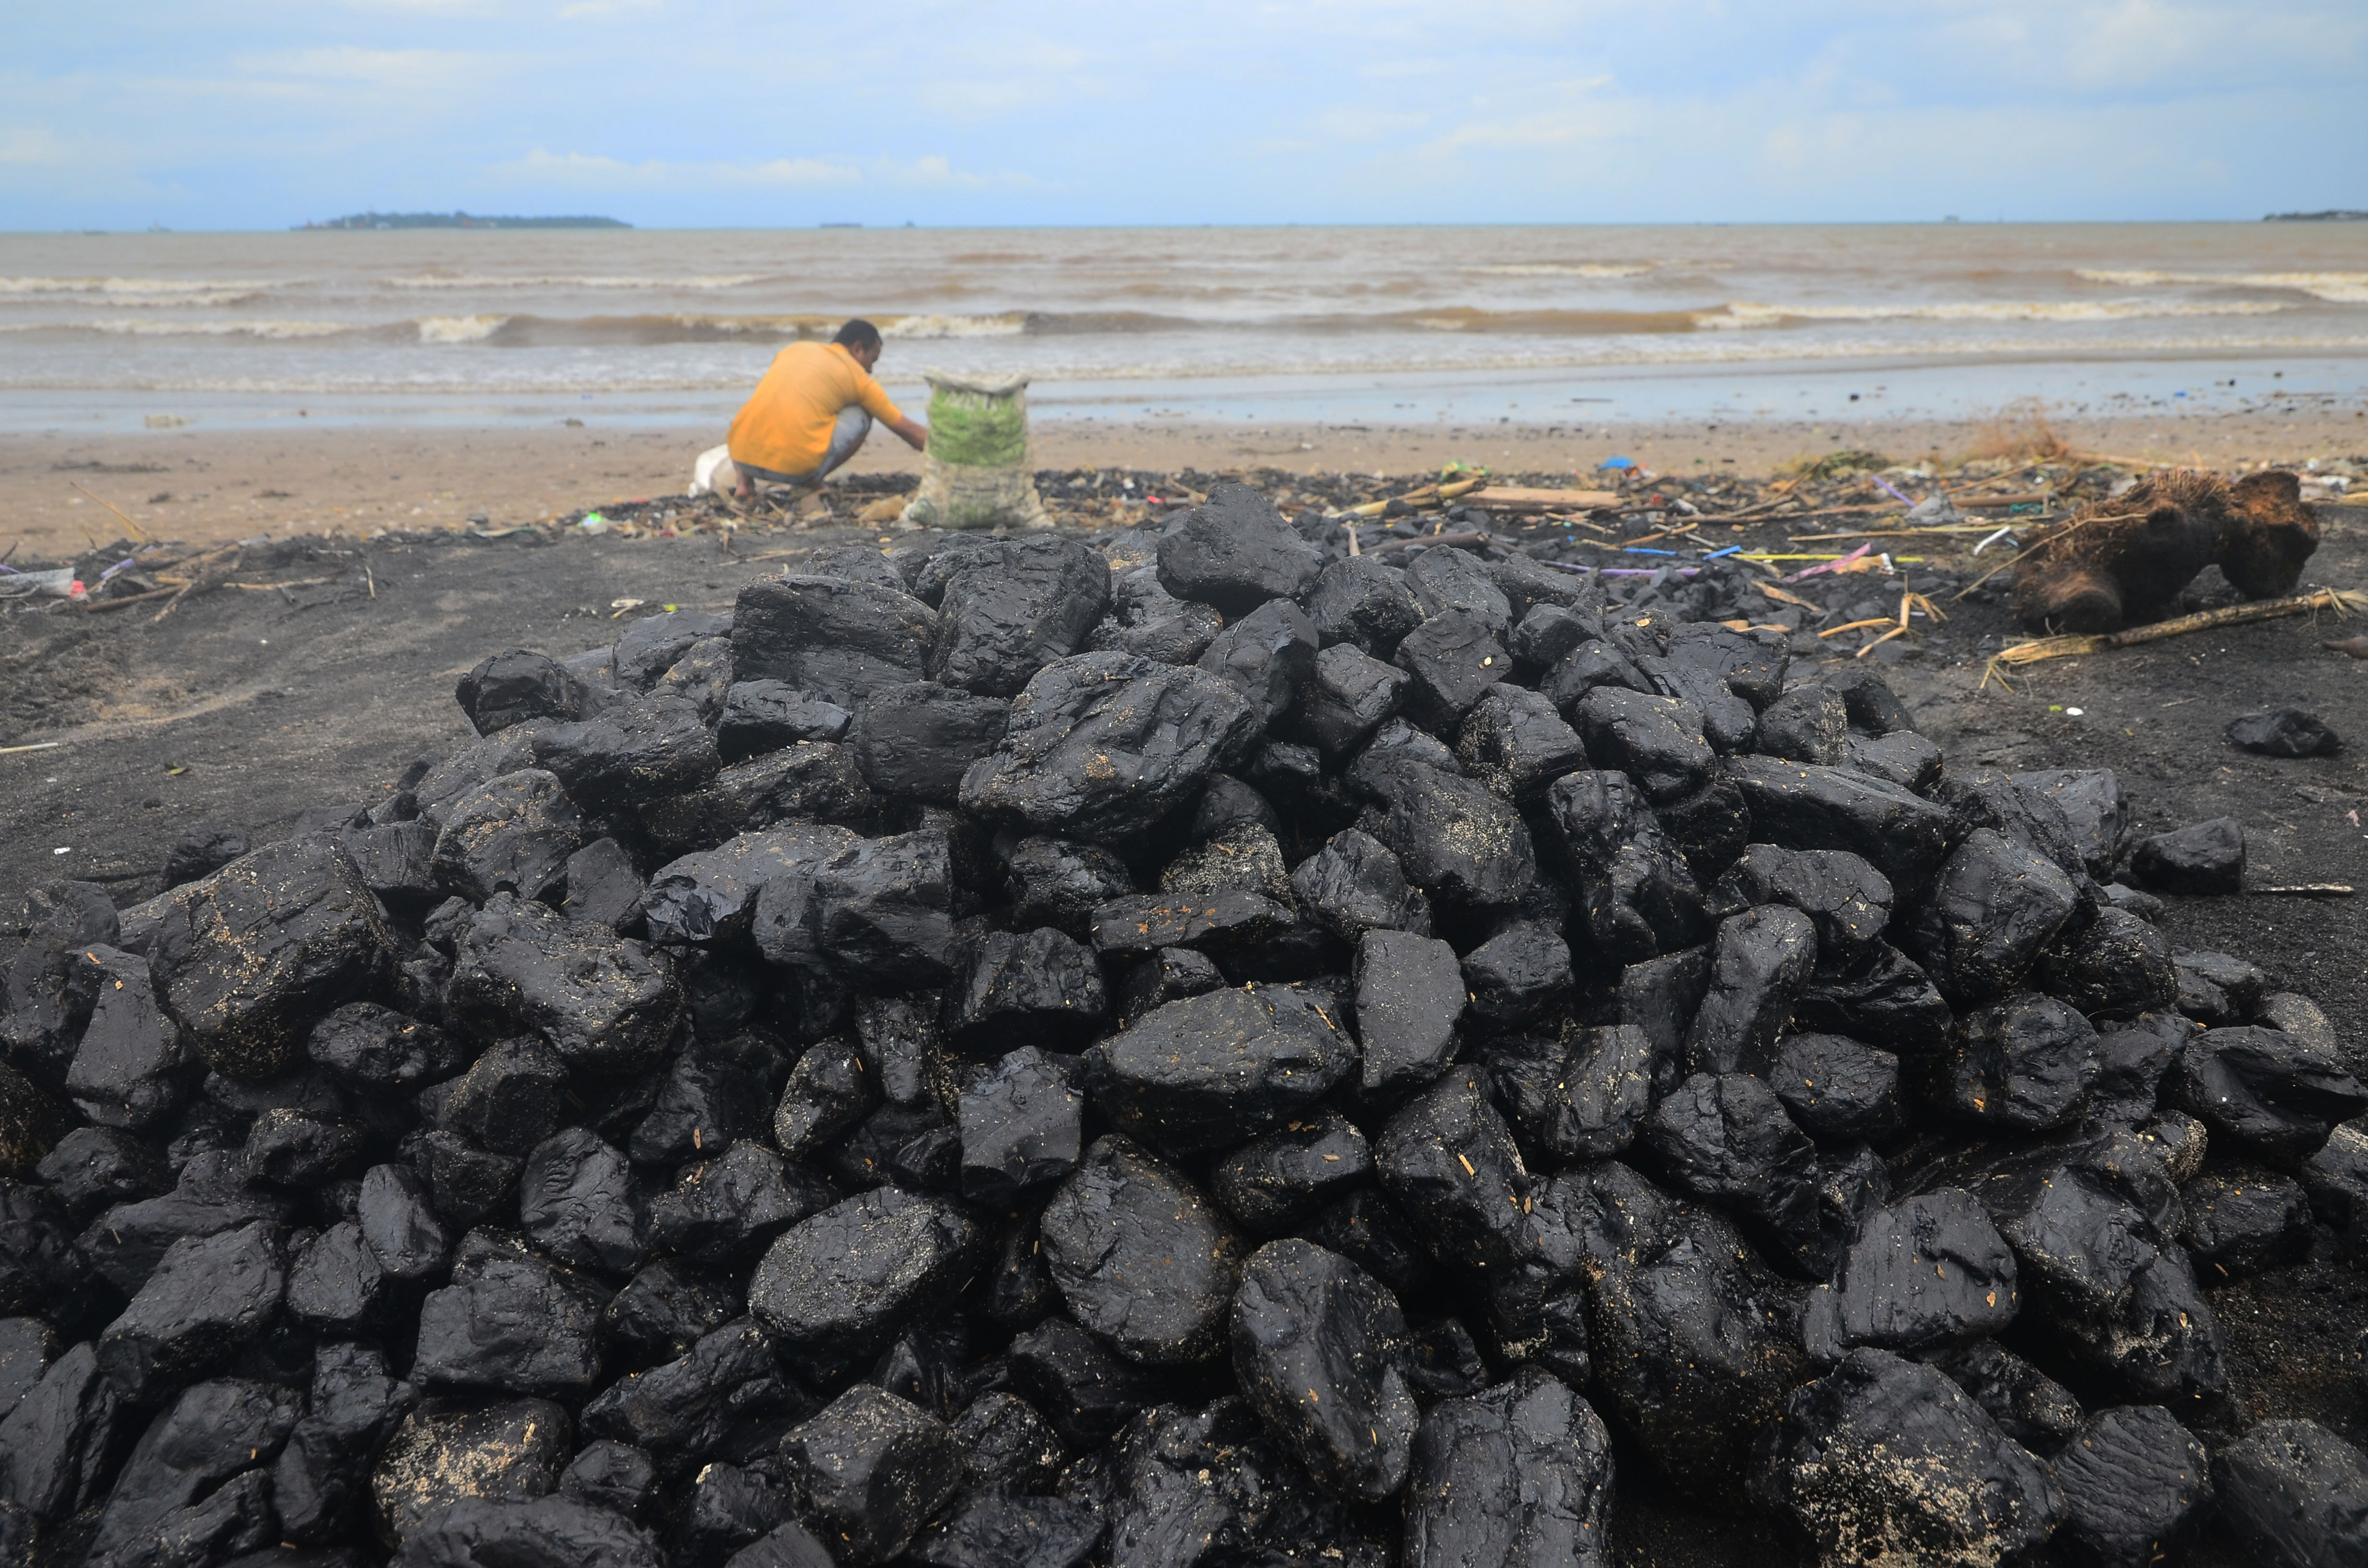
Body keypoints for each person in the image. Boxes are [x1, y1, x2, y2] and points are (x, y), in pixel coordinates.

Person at [725, 318, 926, 500]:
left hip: (741, 457)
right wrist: (949, 453)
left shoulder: (795, 350)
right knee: (864, 413)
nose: (871, 370)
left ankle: (744, 485)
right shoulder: (859, 378)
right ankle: (810, 482)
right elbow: (907, 430)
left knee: (771, 401)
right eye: (872, 360)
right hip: (794, 471)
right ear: (858, 349)